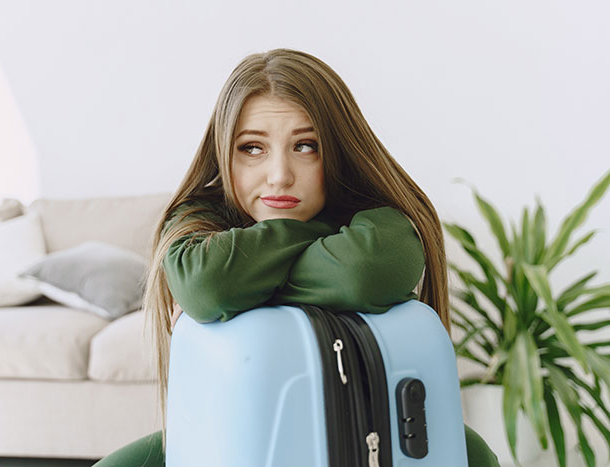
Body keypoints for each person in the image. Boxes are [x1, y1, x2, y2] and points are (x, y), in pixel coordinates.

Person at [93, 48, 500, 467]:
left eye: (305, 146)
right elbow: (208, 284)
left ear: (339, 151)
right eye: (252, 148)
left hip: (376, 420)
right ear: (223, 156)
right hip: (226, 431)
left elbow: (362, 272)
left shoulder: (381, 224)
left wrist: (249, 283)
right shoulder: (195, 223)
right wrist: (323, 241)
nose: (279, 175)